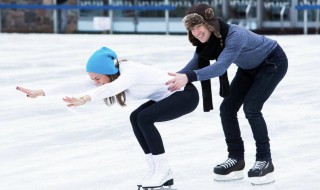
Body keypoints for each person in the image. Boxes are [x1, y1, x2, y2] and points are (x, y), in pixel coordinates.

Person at [16, 47, 199, 189]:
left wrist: (86, 98)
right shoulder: (110, 73)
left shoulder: (129, 71)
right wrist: (40, 92)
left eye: (97, 78)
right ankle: (156, 168)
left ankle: (162, 169)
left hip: (185, 95)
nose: (95, 82)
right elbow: (76, 83)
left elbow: (113, 88)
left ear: (107, 71)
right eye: (92, 79)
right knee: (136, 117)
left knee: (144, 117)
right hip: (169, 97)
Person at [166, 3, 288, 185]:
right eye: (192, 29)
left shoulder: (235, 35)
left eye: (198, 26)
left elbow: (220, 67)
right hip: (248, 68)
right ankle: (236, 159)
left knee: (252, 108)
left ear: (210, 24)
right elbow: (194, 64)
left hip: (272, 62)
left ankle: (265, 160)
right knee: (227, 109)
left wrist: (188, 78)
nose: (196, 32)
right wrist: (174, 78)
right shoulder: (209, 42)